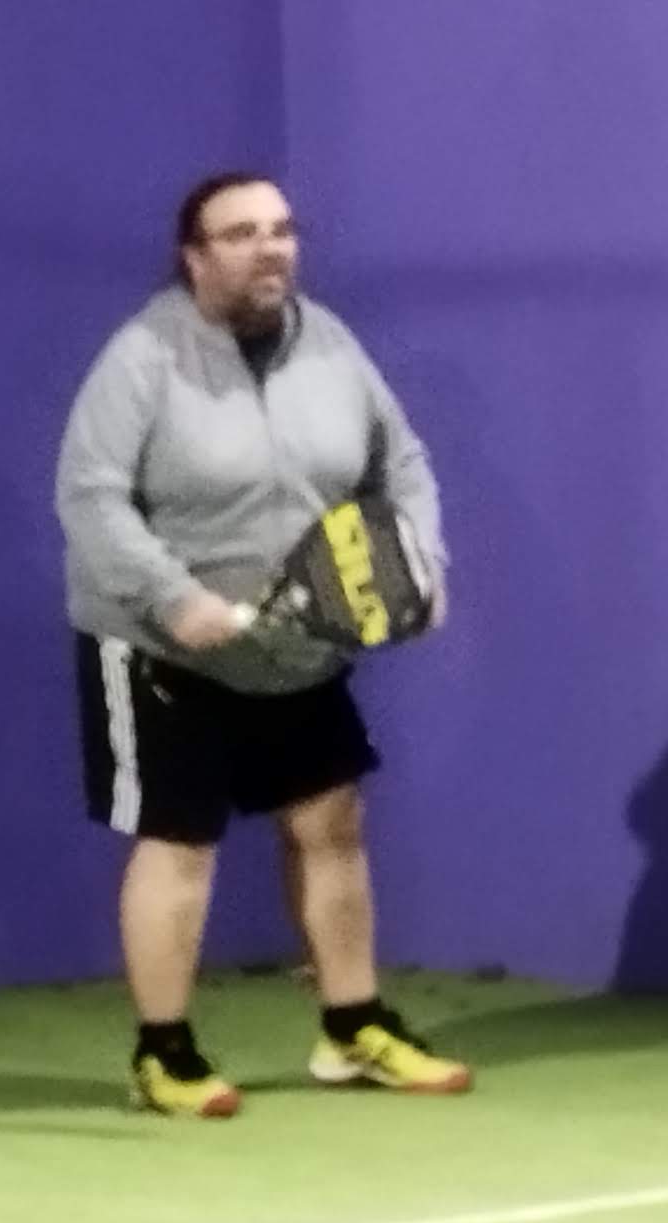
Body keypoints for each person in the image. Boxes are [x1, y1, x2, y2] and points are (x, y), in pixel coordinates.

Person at [55, 176, 473, 1115]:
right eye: (241, 233)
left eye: (282, 230)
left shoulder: (331, 345)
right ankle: (164, 1055)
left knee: (330, 823)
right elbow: (90, 498)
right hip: (160, 647)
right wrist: (173, 597)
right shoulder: (142, 358)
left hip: (299, 643)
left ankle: (352, 1028)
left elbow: (400, 465)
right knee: (180, 840)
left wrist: (420, 563)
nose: (270, 248)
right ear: (194, 257)